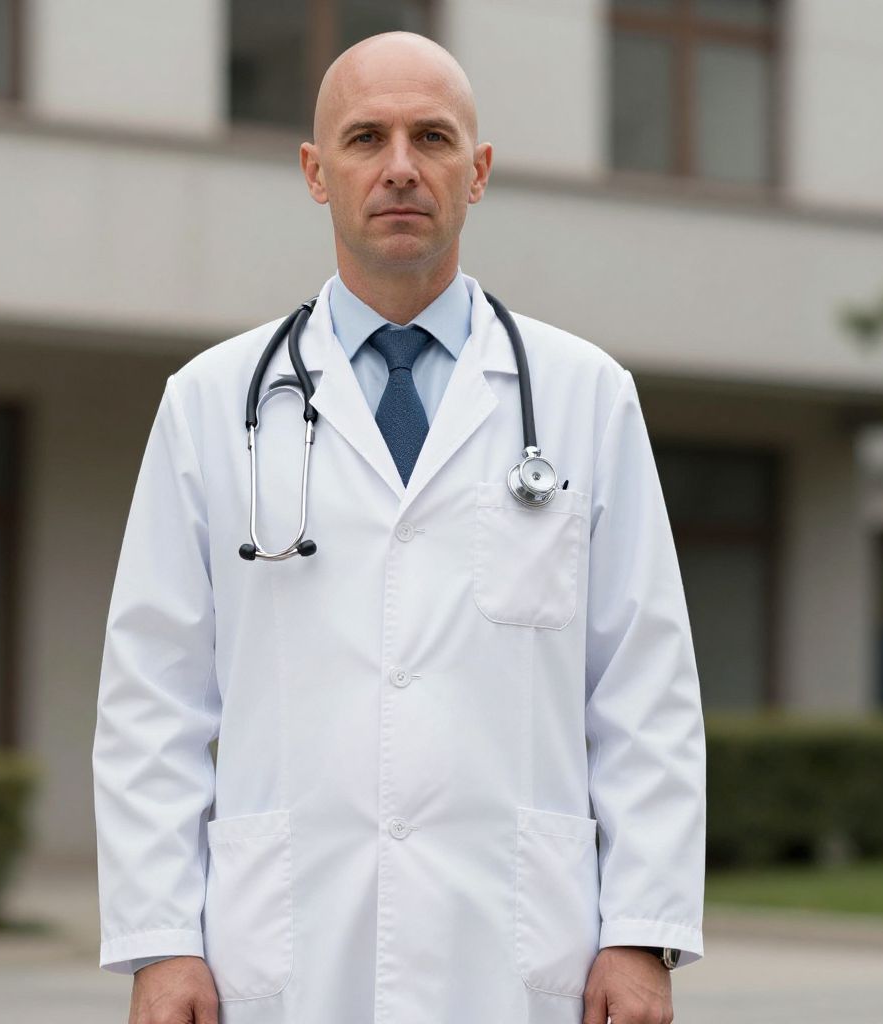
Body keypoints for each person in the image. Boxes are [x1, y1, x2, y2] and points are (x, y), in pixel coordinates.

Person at [93, 30, 705, 1024]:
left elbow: (644, 686)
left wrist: (639, 931)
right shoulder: (209, 403)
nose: (399, 168)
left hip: (515, 949)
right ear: (315, 172)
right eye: (365, 137)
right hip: (286, 947)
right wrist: (161, 941)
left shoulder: (585, 397)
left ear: (479, 172)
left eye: (432, 137)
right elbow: (152, 695)